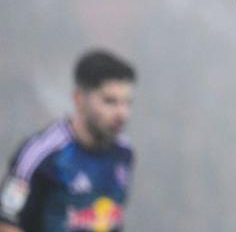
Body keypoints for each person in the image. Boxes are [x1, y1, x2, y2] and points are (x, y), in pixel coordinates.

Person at [0, 50, 136, 232]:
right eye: (110, 101)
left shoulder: (124, 152)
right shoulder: (42, 154)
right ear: (79, 99)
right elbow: (6, 222)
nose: (122, 113)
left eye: (127, 103)